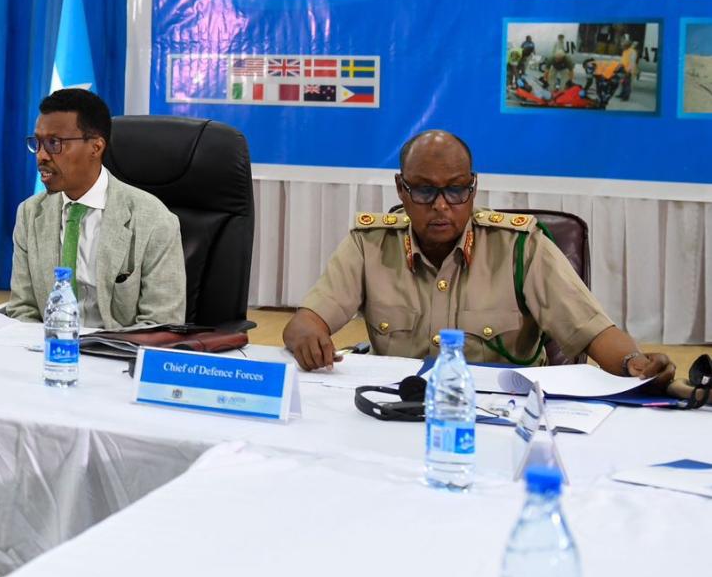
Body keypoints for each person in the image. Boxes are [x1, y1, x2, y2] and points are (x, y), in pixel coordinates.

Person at [282, 131, 675, 387]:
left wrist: (632, 363)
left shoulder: (521, 247)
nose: (441, 206)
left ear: (473, 187)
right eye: (424, 191)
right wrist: (307, 336)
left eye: (456, 191)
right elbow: (307, 321)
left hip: (505, 413)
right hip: (402, 409)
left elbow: (593, 331)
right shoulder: (370, 244)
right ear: (400, 188)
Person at [5, 88, 185, 329]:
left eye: (54, 143)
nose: (41, 155)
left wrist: (97, 347)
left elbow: (161, 322)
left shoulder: (154, 219)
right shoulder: (30, 213)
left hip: (117, 349)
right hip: (49, 347)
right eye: (37, 143)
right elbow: (22, 308)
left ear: (96, 147)